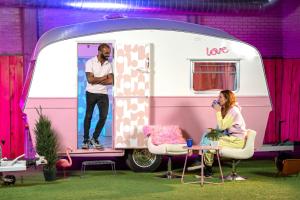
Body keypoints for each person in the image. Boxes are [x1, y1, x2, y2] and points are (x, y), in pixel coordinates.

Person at [189, 90, 247, 177]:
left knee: (209, 142)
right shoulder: (227, 110)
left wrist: (218, 111)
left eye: (220, 97)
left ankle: (206, 167)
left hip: (236, 141)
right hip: (230, 137)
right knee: (207, 135)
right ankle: (201, 160)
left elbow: (222, 126)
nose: (218, 99)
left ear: (227, 99)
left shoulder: (233, 110)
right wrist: (212, 132)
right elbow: (220, 128)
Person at [82, 43, 114, 149]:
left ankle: (94, 138)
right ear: (100, 51)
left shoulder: (108, 65)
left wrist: (97, 79)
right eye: (106, 53)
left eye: (109, 53)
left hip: (103, 94)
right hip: (90, 93)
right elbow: (90, 80)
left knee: (103, 117)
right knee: (88, 116)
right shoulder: (90, 62)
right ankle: (85, 140)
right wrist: (104, 77)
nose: (108, 55)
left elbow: (111, 80)